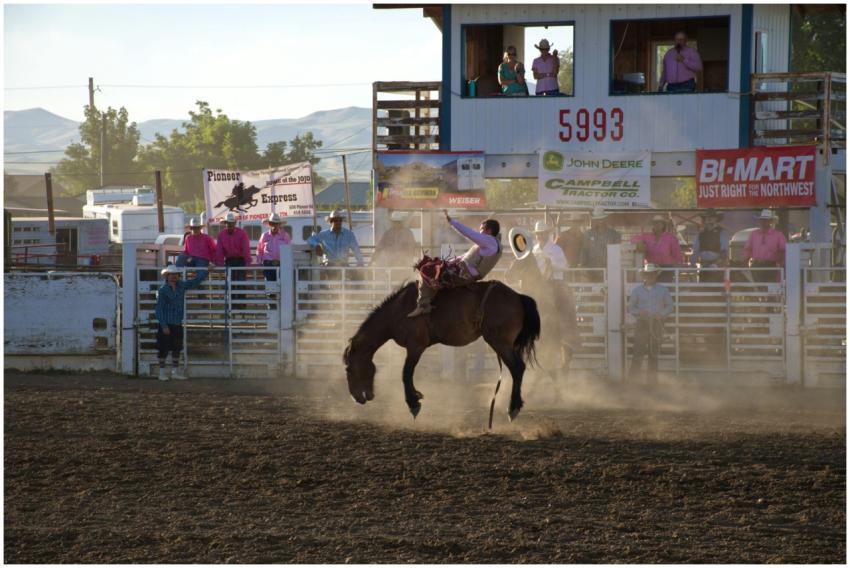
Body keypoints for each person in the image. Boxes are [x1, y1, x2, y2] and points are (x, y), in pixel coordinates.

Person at [408, 210, 502, 318]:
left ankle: (423, 305)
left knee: (427, 269)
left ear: (488, 231)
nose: (479, 232)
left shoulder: (489, 241)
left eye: (481, 229)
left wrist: (452, 221)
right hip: (464, 271)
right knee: (435, 266)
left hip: (463, 273)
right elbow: (465, 256)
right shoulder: (491, 244)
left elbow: (469, 233)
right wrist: (448, 262)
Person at [154, 264, 208, 381]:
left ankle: (174, 372)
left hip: (177, 323)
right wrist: (163, 325)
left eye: (175, 275)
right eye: (171, 275)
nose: (173, 277)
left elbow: (195, 281)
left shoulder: (181, 286)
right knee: (163, 348)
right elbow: (158, 309)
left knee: (176, 348)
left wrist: (206, 271)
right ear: (167, 276)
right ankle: (162, 373)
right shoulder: (163, 290)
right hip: (167, 323)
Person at [628, 264, 673, 385]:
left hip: (656, 323)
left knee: (653, 354)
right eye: (648, 274)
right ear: (644, 276)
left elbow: (670, 306)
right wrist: (638, 312)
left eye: (652, 274)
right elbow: (630, 307)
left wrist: (661, 314)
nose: (650, 276)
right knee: (638, 353)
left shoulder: (663, 290)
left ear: (655, 275)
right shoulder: (637, 290)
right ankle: (632, 383)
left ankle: (651, 383)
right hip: (642, 323)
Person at [630, 214, 683, 283]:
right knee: (653, 288)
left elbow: (677, 255)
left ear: (663, 225)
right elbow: (633, 238)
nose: (657, 225)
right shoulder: (647, 236)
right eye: (655, 223)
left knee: (664, 288)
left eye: (659, 223)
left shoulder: (671, 238)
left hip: (666, 268)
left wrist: (677, 268)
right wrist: (639, 242)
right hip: (652, 268)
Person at [744, 209, 786, 283]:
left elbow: (783, 250)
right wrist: (745, 262)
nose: (763, 222)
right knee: (756, 287)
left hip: (771, 265)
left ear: (770, 222)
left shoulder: (778, 235)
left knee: (770, 287)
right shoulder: (754, 234)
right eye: (762, 220)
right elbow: (748, 249)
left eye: (766, 220)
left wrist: (781, 263)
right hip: (756, 265)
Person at [691, 209, 729, 283]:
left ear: (716, 219)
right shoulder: (700, 234)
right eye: (706, 217)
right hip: (703, 266)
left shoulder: (722, 232)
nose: (709, 219)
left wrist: (717, 263)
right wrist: (693, 264)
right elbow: (695, 250)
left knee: (716, 289)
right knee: (704, 288)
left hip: (717, 266)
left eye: (712, 217)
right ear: (704, 219)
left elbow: (724, 251)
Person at [215, 212, 252, 282]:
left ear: (234, 223)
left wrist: (247, 262)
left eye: (231, 222)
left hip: (241, 260)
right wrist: (219, 263)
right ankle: (232, 293)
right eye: (227, 222)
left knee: (241, 281)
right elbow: (219, 251)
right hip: (229, 260)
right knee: (230, 281)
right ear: (225, 223)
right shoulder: (221, 235)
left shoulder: (242, 233)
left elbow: (246, 249)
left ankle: (240, 292)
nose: (229, 224)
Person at [256, 213, 292, 282]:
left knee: (282, 285)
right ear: (269, 224)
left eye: (276, 223)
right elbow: (259, 249)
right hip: (268, 264)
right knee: (270, 287)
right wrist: (259, 263)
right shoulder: (264, 235)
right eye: (272, 223)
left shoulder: (285, 235)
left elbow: (289, 250)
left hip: (282, 264)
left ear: (279, 225)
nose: (274, 225)